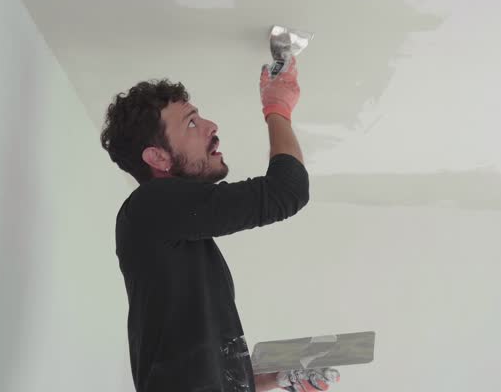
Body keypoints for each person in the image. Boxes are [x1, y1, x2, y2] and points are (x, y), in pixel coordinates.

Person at [99, 58, 339, 392]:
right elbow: (286, 191)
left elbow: (196, 371)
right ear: (158, 158)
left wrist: (274, 378)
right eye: (192, 123)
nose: (212, 125)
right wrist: (277, 108)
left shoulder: (171, 233)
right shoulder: (149, 206)